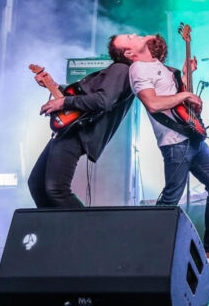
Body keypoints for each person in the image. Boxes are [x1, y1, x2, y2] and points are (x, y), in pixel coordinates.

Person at [110, 33, 209, 264]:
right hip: (175, 142)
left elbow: (171, 93)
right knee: (171, 198)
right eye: (129, 39)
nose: (134, 34)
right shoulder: (138, 69)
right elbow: (153, 103)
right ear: (130, 54)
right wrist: (186, 94)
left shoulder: (158, 66)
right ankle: (149, 252)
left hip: (193, 137)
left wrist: (186, 74)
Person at [28, 38, 135, 208]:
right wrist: (52, 86)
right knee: (37, 184)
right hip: (71, 128)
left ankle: (87, 232)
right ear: (126, 51)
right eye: (129, 37)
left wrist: (63, 103)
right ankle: (54, 230)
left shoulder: (121, 69)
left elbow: (103, 101)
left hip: (79, 131)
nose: (133, 35)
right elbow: (83, 96)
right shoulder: (117, 69)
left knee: (57, 189)